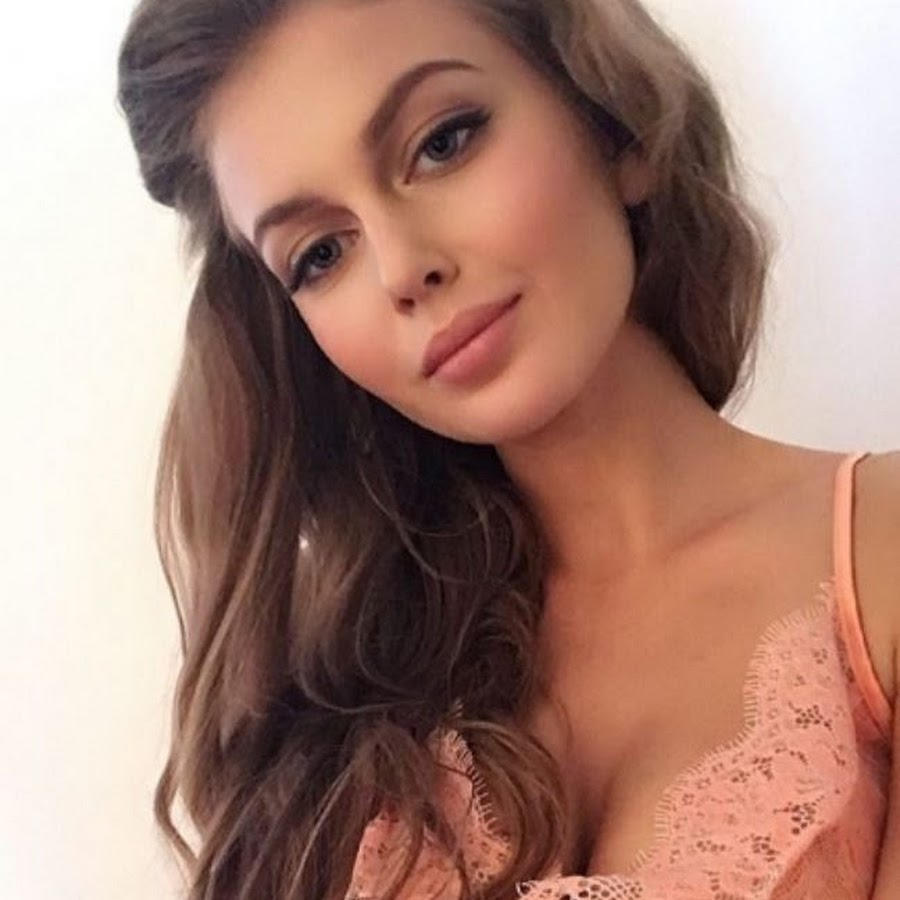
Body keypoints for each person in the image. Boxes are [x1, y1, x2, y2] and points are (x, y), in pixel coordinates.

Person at [116, 0, 899, 897]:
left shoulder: (880, 551)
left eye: (442, 143)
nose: (402, 268)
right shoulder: (339, 698)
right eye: (321, 253)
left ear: (615, 123)